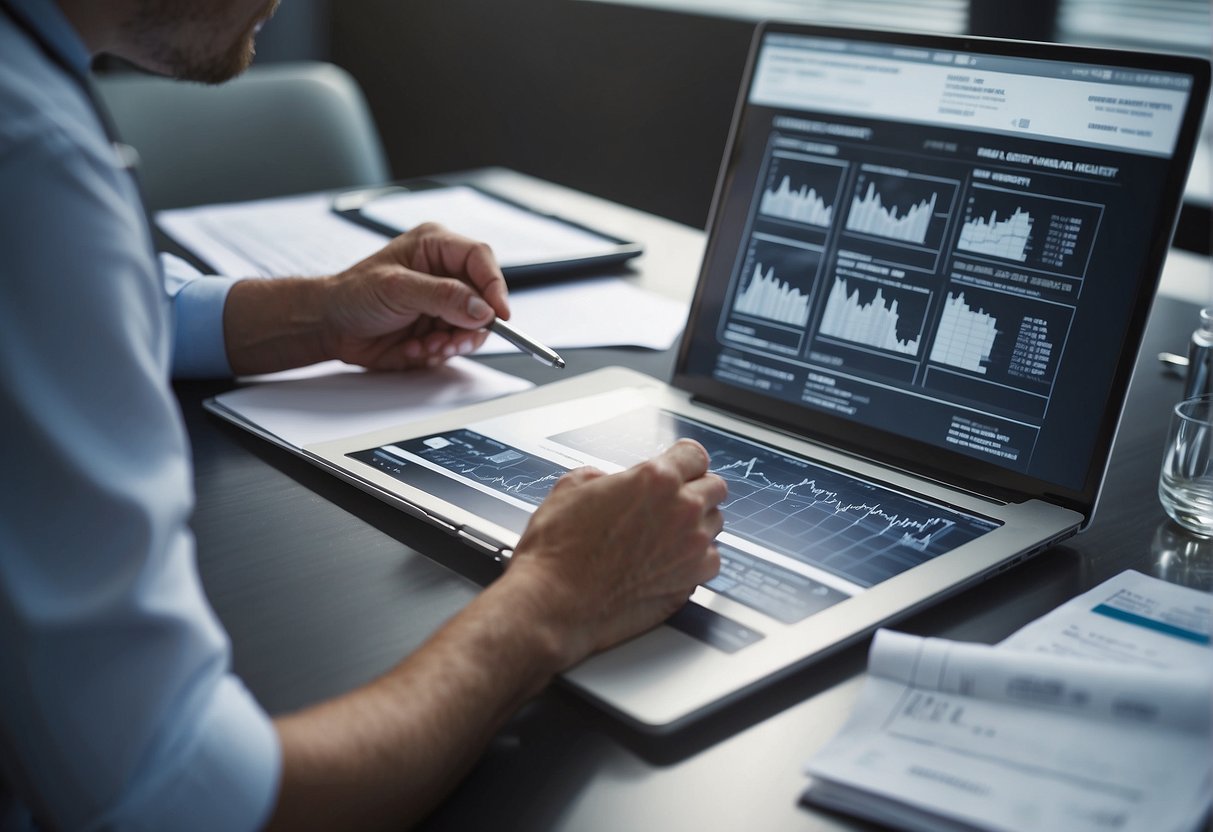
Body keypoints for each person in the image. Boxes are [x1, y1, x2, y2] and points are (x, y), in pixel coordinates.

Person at [0, 0, 726, 829]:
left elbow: (60, 300)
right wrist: (558, 596)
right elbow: (178, 800)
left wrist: (320, 314)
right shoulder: (29, 155)